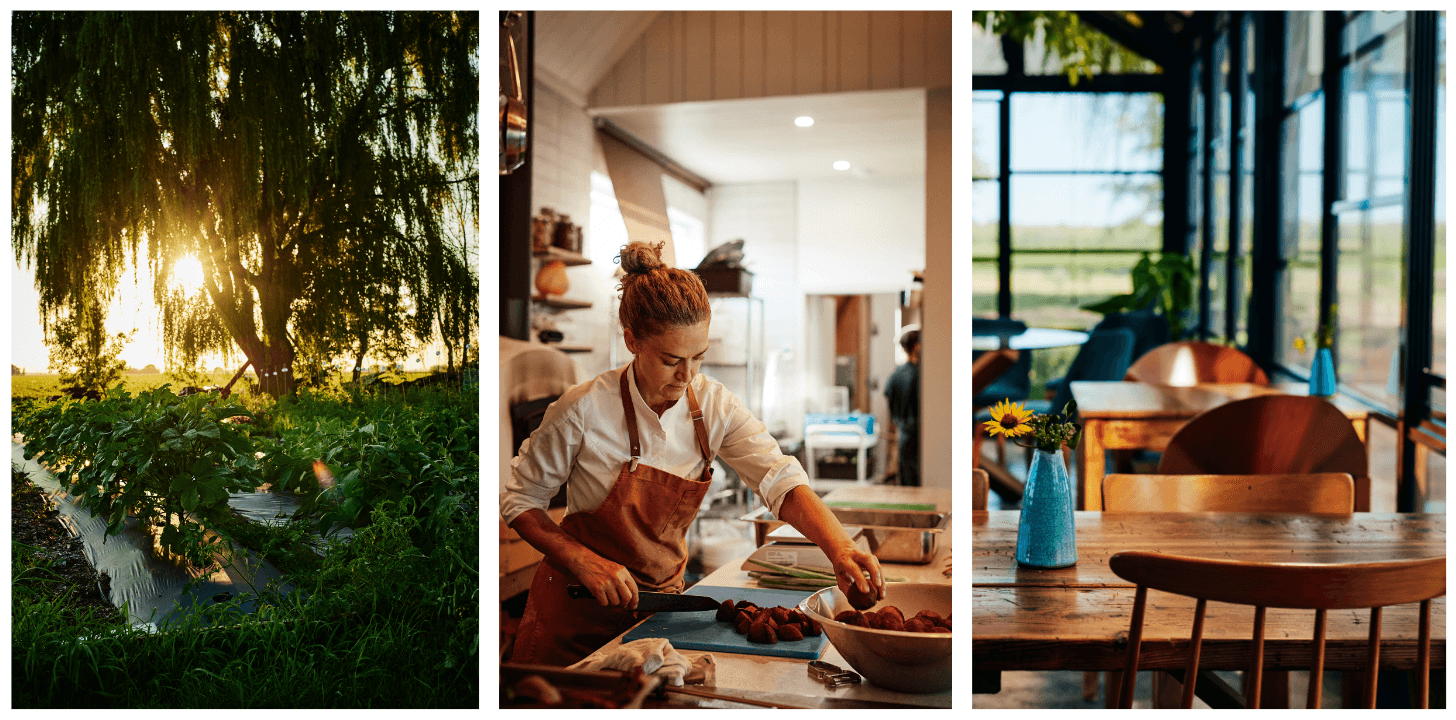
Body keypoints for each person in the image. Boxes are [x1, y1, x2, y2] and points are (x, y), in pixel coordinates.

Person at [502, 241, 885, 666]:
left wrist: (841, 548)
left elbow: (778, 477)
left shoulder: (714, 406)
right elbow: (519, 500)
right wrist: (582, 560)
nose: (687, 375)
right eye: (671, 360)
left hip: (658, 617)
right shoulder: (582, 409)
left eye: (698, 357)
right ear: (632, 341)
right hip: (574, 619)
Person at [884, 325, 921, 486]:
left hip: (904, 434)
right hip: (917, 434)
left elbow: (888, 396)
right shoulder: (919, 374)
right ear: (916, 346)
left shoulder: (896, 375)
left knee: (906, 482)